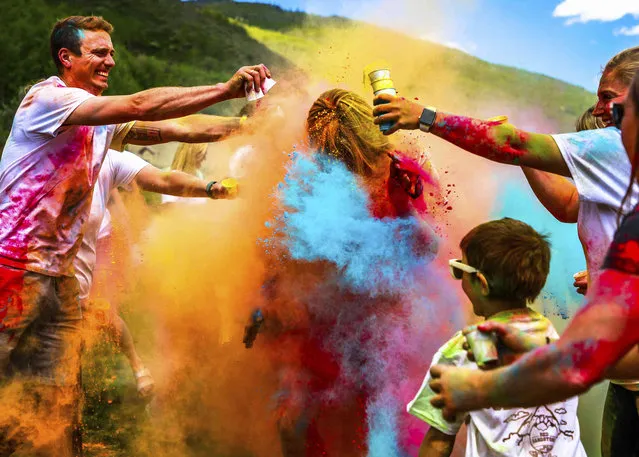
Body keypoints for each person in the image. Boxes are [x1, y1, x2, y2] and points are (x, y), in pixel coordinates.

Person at [0, 14, 268, 456]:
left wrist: (248, 127)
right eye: (99, 53)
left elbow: (176, 128)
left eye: (111, 53)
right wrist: (225, 88)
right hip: (13, 271)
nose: (110, 61)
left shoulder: (102, 125)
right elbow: (143, 105)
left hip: (62, 280)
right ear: (66, 58)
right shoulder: (47, 99)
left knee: (57, 402)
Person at [373, 46, 639, 456]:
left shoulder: (615, 144)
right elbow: (570, 206)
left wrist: (423, 117)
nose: (600, 109)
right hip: (624, 382)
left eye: (609, 97)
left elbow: (507, 142)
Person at [259, 88, 438, 456]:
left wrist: (404, 216)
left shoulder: (400, 171)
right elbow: (278, 246)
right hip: (317, 317)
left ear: (360, 137)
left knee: (377, 426)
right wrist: (268, 300)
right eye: (325, 144)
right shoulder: (309, 174)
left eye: (341, 144)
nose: (332, 153)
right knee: (295, 420)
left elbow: (428, 248)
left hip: (381, 321)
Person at [408, 218, 586, 457]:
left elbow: (438, 443)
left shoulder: (460, 352)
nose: (458, 276)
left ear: (480, 283)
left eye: (460, 269)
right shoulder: (549, 333)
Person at [78, 148, 235, 398]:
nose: (203, 156)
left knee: (101, 310)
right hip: (64, 248)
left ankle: (142, 366)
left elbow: (152, 186)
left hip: (102, 241)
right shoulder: (49, 157)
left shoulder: (108, 159)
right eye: (201, 152)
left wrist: (211, 189)